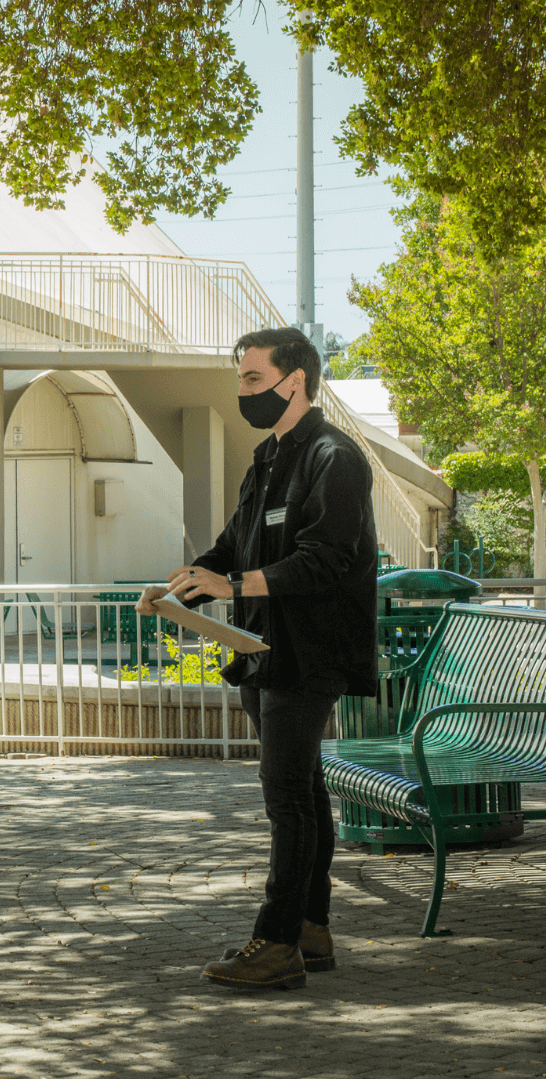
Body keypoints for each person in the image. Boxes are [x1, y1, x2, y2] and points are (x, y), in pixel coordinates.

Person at [137, 326, 378, 991]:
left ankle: (275, 943)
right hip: (262, 657)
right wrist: (185, 582)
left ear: (294, 380)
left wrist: (235, 586)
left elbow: (327, 559)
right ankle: (311, 930)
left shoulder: (337, 458)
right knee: (303, 793)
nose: (242, 392)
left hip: (310, 658)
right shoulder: (266, 461)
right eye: (240, 380)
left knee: (287, 801)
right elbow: (231, 550)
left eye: (251, 380)